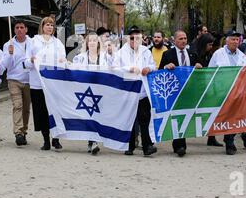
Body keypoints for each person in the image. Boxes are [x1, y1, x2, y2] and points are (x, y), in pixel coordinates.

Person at [114, 26, 157, 156]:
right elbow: (115, 68)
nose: (134, 40)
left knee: (144, 118)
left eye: (137, 37)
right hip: (128, 91)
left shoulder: (146, 51)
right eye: (131, 38)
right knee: (130, 120)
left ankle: (147, 146)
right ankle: (129, 145)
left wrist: (148, 69)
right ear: (128, 38)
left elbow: (153, 65)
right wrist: (129, 69)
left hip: (143, 90)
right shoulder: (121, 52)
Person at [25, 17, 66, 151]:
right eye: (47, 24)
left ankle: (56, 138)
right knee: (41, 111)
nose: (49, 27)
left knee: (54, 110)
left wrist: (61, 61)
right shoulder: (33, 41)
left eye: (52, 25)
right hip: (38, 82)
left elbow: (63, 59)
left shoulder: (58, 43)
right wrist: (31, 60)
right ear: (42, 26)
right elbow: (26, 62)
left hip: (53, 83)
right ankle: (46, 139)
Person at [160, 30, 203, 157]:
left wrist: (200, 66)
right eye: (180, 39)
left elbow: (202, 68)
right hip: (174, 91)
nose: (183, 41)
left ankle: (179, 143)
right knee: (177, 117)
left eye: (185, 38)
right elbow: (160, 70)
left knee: (186, 116)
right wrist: (166, 66)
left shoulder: (192, 53)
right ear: (174, 40)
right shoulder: (168, 54)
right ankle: (180, 145)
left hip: (189, 91)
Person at [208, 30, 246, 155]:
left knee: (234, 116)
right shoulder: (218, 54)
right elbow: (210, 71)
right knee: (225, 116)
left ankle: (229, 141)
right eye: (233, 39)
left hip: (238, 92)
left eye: (237, 40)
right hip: (222, 91)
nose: (235, 42)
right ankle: (225, 139)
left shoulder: (243, 56)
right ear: (227, 40)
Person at [73, 32, 113, 155]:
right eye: (89, 40)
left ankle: (93, 141)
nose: (92, 42)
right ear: (86, 43)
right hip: (86, 90)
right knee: (89, 115)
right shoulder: (79, 57)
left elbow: (113, 70)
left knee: (98, 116)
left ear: (98, 43)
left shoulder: (106, 57)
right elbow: (74, 71)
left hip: (101, 91)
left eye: (94, 40)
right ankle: (92, 141)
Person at [2, 20, 32, 147]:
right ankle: (18, 133)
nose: (19, 29)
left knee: (26, 108)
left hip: (29, 80)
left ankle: (24, 131)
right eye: (17, 27)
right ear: (14, 30)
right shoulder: (8, 44)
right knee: (18, 105)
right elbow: (5, 65)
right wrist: (9, 54)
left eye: (21, 27)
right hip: (14, 79)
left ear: (26, 29)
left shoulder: (32, 42)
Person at [194, 33, 223, 147]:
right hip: (197, 87)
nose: (211, 47)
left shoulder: (210, 55)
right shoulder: (195, 54)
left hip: (208, 86)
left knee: (212, 112)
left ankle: (211, 137)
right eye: (209, 44)